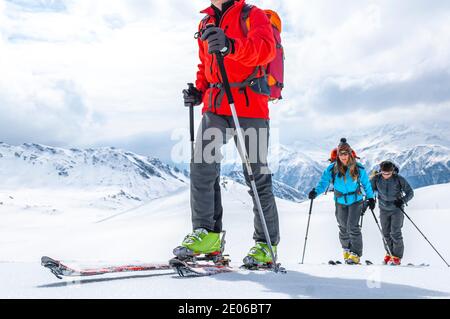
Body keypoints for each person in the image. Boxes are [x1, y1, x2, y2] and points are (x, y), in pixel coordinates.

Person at [177, 0, 279, 266]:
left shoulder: (251, 15)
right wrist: (198, 91)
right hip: (215, 105)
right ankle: (207, 234)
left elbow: (265, 51)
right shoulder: (205, 22)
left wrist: (230, 46)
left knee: (256, 175)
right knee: (202, 165)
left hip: (250, 106)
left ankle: (265, 245)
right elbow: (205, 64)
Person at [308, 138, 375, 264]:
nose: (343, 157)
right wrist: (315, 192)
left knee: (353, 227)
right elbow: (323, 183)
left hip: (356, 200)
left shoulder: (358, 168)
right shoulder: (331, 169)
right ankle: (347, 250)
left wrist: (371, 198)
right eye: (341, 154)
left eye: (345, 154)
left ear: (350, 154)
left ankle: (355, 254)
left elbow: (366, 184)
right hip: (340, 201)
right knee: (343, 227)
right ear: (337, 155)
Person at [370, 161, 414, 265]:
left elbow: (410, 192)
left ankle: (397, 257)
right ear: (381, 171)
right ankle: (389, 253)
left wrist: (402, 200)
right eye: (384, 173)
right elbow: (368, 190)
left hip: (396, 209)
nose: (386, 175)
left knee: (395, 232)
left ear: (392, 171)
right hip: (383, 209)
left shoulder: (398, 179)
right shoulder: (376, 179)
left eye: (388, 173)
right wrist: (369, 200)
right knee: (385, 233)